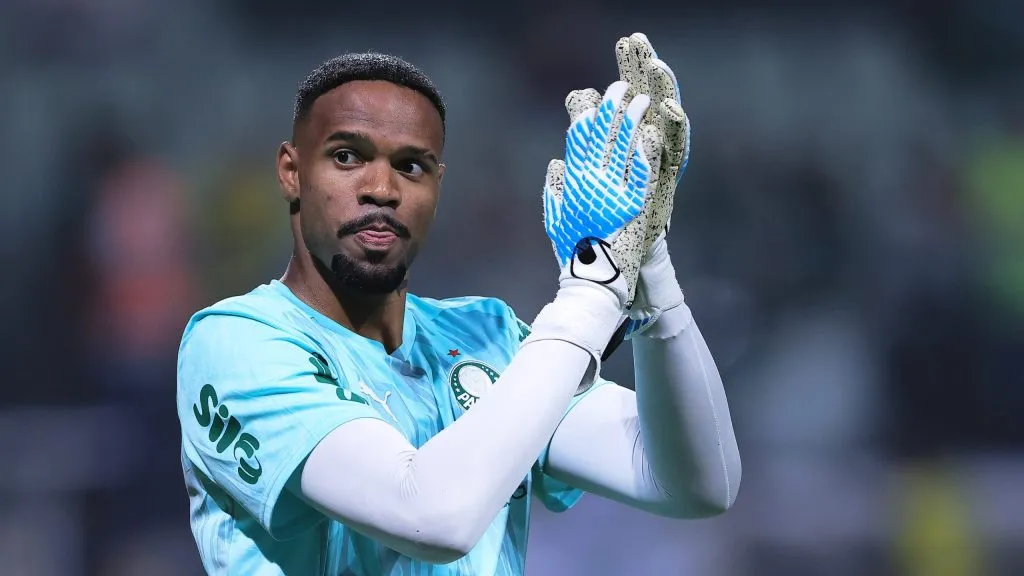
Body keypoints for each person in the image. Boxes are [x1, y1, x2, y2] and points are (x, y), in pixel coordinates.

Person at [177, 34, 740, 576]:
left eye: (412, 166)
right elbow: (432, 517)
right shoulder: (236, 343)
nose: (382, 188)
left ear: (437, 186)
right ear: (291, 171)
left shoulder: (488, 336)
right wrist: (592, 292)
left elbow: (697, 485)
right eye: (347, 156)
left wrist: (650, 274)